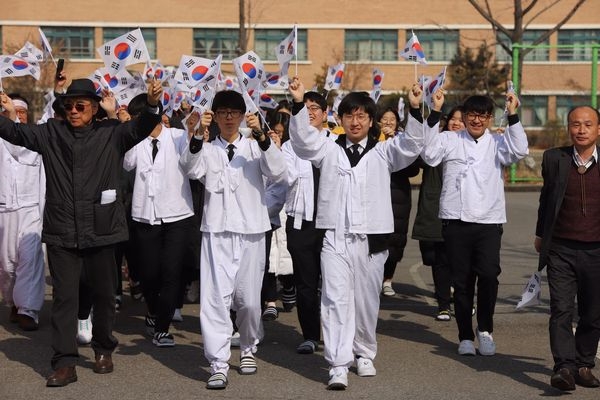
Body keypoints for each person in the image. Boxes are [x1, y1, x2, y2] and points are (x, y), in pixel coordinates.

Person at [0, 76, 163, 387]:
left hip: (103, 230)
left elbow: (142, 127)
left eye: (80, 106)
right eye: (69, 106)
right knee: (64, 299)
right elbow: (14, 131)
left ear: (94, 108)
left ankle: (103, 348)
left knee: (104, 295)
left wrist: (153, 103)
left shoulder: (112, 133)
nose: (73, 111)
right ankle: (64, 363)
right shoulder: (51, 133)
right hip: (62, 230)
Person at [288, 77, 424, 390]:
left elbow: (413, 146)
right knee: (335, 300)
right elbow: (302, 142)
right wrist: (298, 103)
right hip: (335, 237)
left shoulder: (384, 152)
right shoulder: (327, 148)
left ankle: (363, 353)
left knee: (365, 301)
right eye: (349, 115)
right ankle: (337, 363)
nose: (355, 121)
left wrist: (415, 108)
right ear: (340, 119)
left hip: (372, 238)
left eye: (362, 115)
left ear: (371, 120)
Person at [179, 90, 286, 390]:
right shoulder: (207, 148)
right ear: (216, 116)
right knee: (214, 301)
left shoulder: (255, 148)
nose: (228, 117)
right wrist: (198, 135)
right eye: (223, 112)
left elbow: (278, 172)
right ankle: (218, 362)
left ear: (241, 116)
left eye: (233, 112)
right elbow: (190, 168)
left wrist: (263, 137)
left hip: (251, 232)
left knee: (249, 301)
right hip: (216, 232)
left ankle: (249, 346)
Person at [421, 89, 528, 357]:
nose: (476, 120)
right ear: (464, 116)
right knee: (463, 281)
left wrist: (513, 114)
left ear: (490, 118)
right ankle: (465, 336)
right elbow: (429, 154)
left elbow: (521, 149)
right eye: (471, 115)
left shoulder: (498, 142)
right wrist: (435, 111)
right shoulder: (450, 139)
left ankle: (485, 330)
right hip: (456, 220)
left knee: (489, 275)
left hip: (489, 221)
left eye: (482, 116)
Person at [535, 105, 600, 391]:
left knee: (593, 312)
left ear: (598, 129)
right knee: (560, 309)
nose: (581, 129)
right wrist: (540, 234)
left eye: (588, 124)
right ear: (568, 128)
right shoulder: (554, 158)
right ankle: (563, 367)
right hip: (561, 248)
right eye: (575, 124)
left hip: (597, 251)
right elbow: (546, 198)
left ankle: (584, 364)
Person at [123, 94, 195, 347]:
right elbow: (128, 163)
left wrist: (193, 129)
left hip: (177, 215)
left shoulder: (177, 136)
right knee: (149, 273)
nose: (135, 121)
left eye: (138, 116)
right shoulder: (135, 140)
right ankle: (154, 311)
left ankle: (162, 328)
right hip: (145, 215)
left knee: (171, 272)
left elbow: (191, 158)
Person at [282, 90, 337, 354]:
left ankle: (334, 333)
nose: (311, 112)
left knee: (332, 282)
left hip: (331, 224)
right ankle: (310, 335)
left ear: (326, 113)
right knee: (305, 282)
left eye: (316, 108)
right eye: (305, 108)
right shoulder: (290, 144)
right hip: (300, 221)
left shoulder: (336, 142)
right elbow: (284, 177)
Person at [412, 105, 464, 321]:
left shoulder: (472, 145)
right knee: (438, 258)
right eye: (453, 118)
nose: (456, 123)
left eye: (461, 120)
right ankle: (444, 304)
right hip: (435, 207)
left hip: (463, 210)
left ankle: (460, 299)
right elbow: (422, 159)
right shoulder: (437, 141)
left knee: (461, 260)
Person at [0, 93, 46, 331]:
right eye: (12, 110)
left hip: (30, 209)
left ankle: (28, 309)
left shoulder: (35, 139)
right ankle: (14, 302)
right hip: (4, 211)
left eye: (22, 112)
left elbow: (21, 150)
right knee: (7, 265)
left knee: (30, 259)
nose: (17, 114)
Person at [376, 107, 419, 297]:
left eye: (392, 119)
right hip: (376, 193)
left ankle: (387, 280)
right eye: (384, 118)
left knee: (395, 238)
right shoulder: (370, 139)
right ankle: (373, 277)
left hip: (398, 195)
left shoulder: (403, 140)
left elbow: (413, 169)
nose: (388, 122)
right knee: (376, 238)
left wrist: (395, 140)